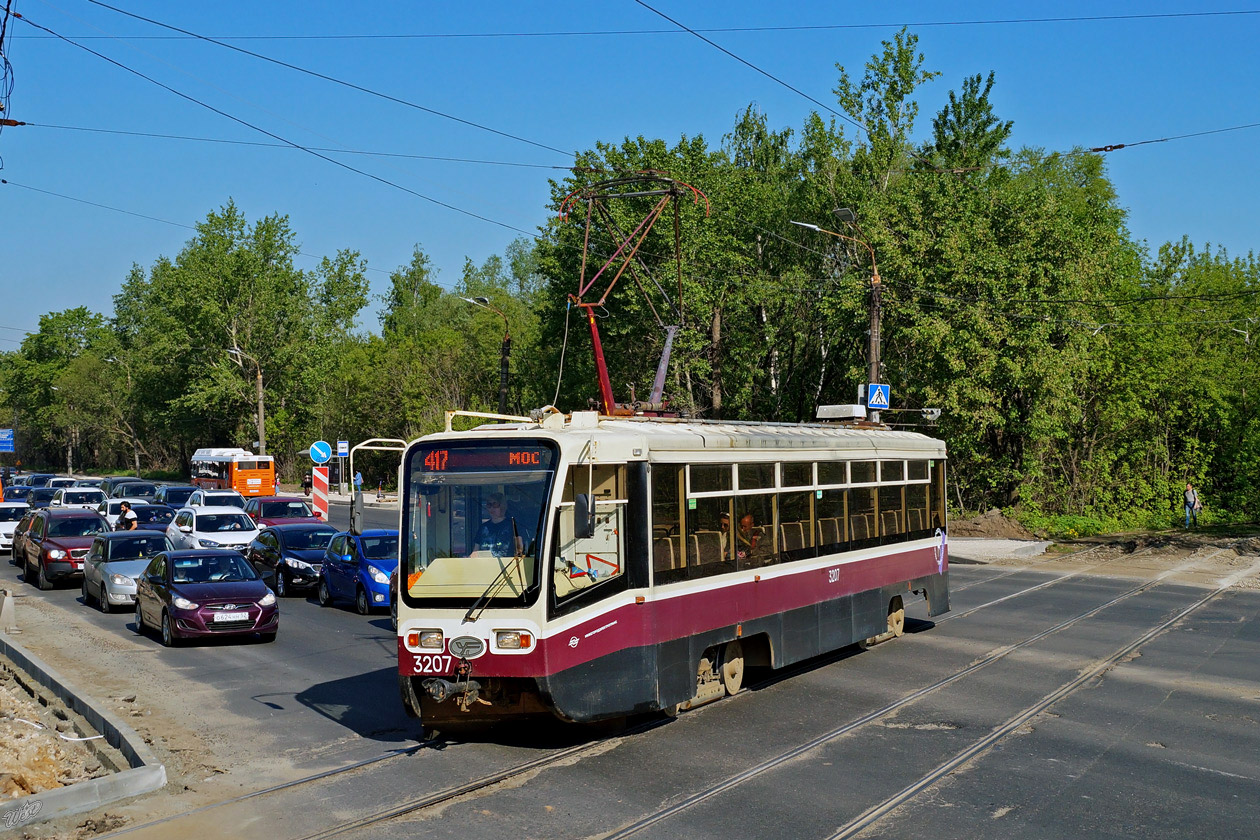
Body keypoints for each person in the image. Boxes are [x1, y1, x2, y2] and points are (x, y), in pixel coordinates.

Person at [472, 493, 522, 557]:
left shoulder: (512, 526)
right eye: (489, 505)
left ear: (502, 506)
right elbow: (475, 551)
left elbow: (520, 550)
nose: (492, 508)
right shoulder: (483, 528)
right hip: (485, 565)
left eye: (495, 504)